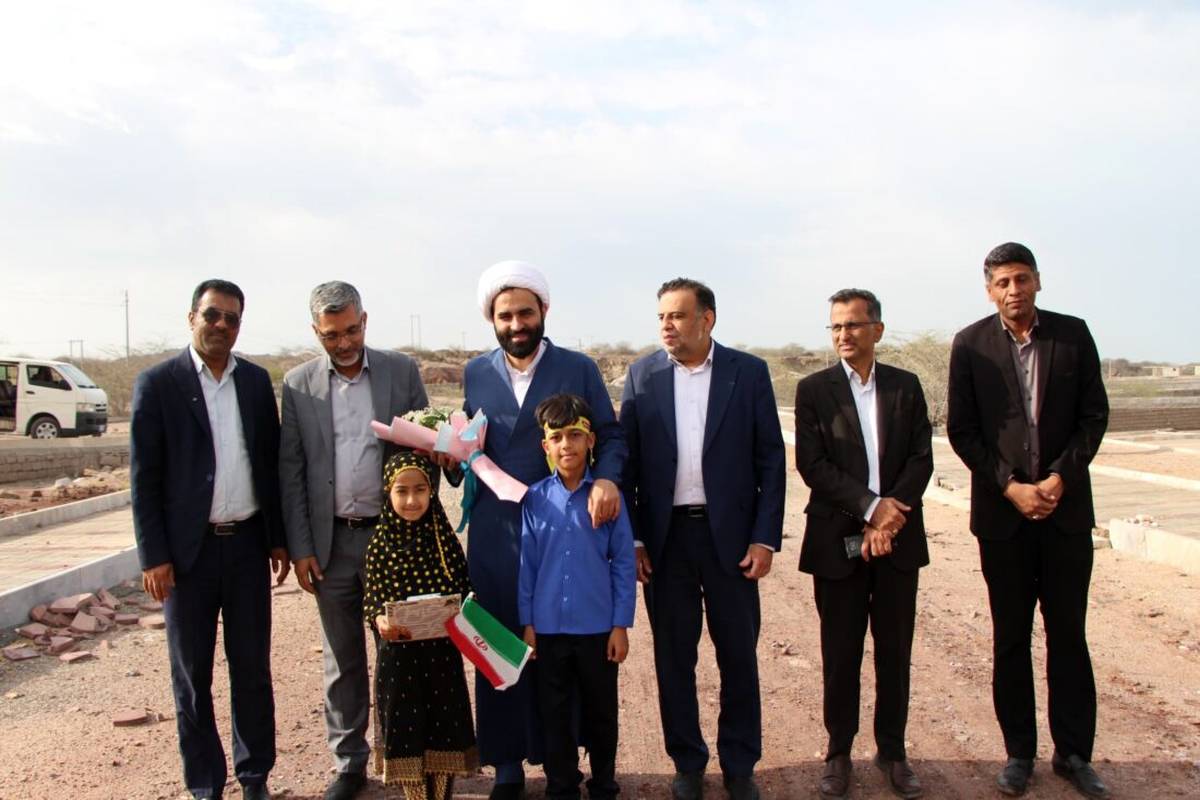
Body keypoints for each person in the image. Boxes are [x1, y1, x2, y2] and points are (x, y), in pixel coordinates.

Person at [947, 242, 1109, 799]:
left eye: (1021, 279)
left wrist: (1060, 477)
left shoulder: (1073, 335)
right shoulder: (970, 345)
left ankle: (1074, 754)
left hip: (1065, 514)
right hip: (1004, 519)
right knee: (1010, 638)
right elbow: (963, 431)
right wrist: (1010, 486)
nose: (1013, 290)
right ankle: (1019, 753)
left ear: (1037, 280)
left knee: (1069, 636)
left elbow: (1093, 417)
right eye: (1002, 282)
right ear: (989, 290)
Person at [462, 260, 628, 799]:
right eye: (505, 316)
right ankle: (507, 764)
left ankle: (570, 764)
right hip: (495, 532)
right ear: (492, 319)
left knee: (564, 646)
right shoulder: (475, 373)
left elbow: (610, 435)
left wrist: (607, 479)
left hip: (565, 525)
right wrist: (449, 457)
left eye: (525, 313)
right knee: (500, 641)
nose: (516, 324)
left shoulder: (578, 368)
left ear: (544, 311)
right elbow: (469, 446)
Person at [620, 278, 786, 800]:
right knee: (674, 659)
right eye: (661, 318)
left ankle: (740, 765)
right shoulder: (642, 375)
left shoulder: (748, 372)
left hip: (731, 540)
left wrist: (764, 538)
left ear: (706, 319)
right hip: (666, 542)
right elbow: (626, 466)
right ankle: (687, 763)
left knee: (738, 656)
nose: (666, 326)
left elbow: (771, 460)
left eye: (676, 316)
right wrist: (635, 540)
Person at [130, 279, 289, 800]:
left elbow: (268, 464)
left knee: (252, 669)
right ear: (191, 317)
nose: (222, 325)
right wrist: (154, 556)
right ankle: (205, 784)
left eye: (232, 318)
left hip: (246, 547)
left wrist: (278, 539)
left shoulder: (255, 382)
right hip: (186, 557)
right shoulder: (159, 384)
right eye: (212, 315)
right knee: (192, 675)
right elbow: (144, 478)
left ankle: (254, 776)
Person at [279, 281, 431, 800]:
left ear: (364, 321)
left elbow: (425, 450)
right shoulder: (298, 385)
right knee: (341, 659)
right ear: (315, 332)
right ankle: (349, 763)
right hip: (331, 546)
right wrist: (301, 547)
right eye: (331, 335)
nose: (343, 343)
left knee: (400, 651)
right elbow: (292, 470)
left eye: (350, 330)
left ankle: (405, 755)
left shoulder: (400, 372)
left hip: (391, 539)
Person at [793, 289, 933, 799]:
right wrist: (872, 510)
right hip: (838, 541)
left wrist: (889, 519)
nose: (843, 335)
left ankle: (892, 751)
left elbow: (921, 458)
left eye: (853, 325)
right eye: (835, 327)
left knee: (895, 652)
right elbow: (813, 465)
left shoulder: (905, 386)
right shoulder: (814, 390)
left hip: (897, 541)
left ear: (877, 329)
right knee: (841, 653)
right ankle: (838, 752)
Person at [519, 393, 636, 800]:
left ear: (590, 440)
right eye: (557, 438)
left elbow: (623, 563)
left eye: (574, 435)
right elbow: (528, 566)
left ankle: (604, 783)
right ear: (545, 446)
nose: (566, 445)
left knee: (602, 711)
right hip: (549, 629)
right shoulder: (534, 499)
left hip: (597, 628)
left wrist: (620, 625)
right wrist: (528, 624)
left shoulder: (609, 498)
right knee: (554, 714)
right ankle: (562, 785)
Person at [362, 450, 476, 800]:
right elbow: (372, 599)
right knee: (406, 731)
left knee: (443, 732)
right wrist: (380, 620)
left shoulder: (443, 542)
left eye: (420, 490)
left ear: (431, 492)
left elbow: (464, 589)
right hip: (399, 663)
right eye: (402, 491)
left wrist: (460, 608)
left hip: (441, 659)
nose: (412, 500)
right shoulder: (379, 546)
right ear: (388, 493)